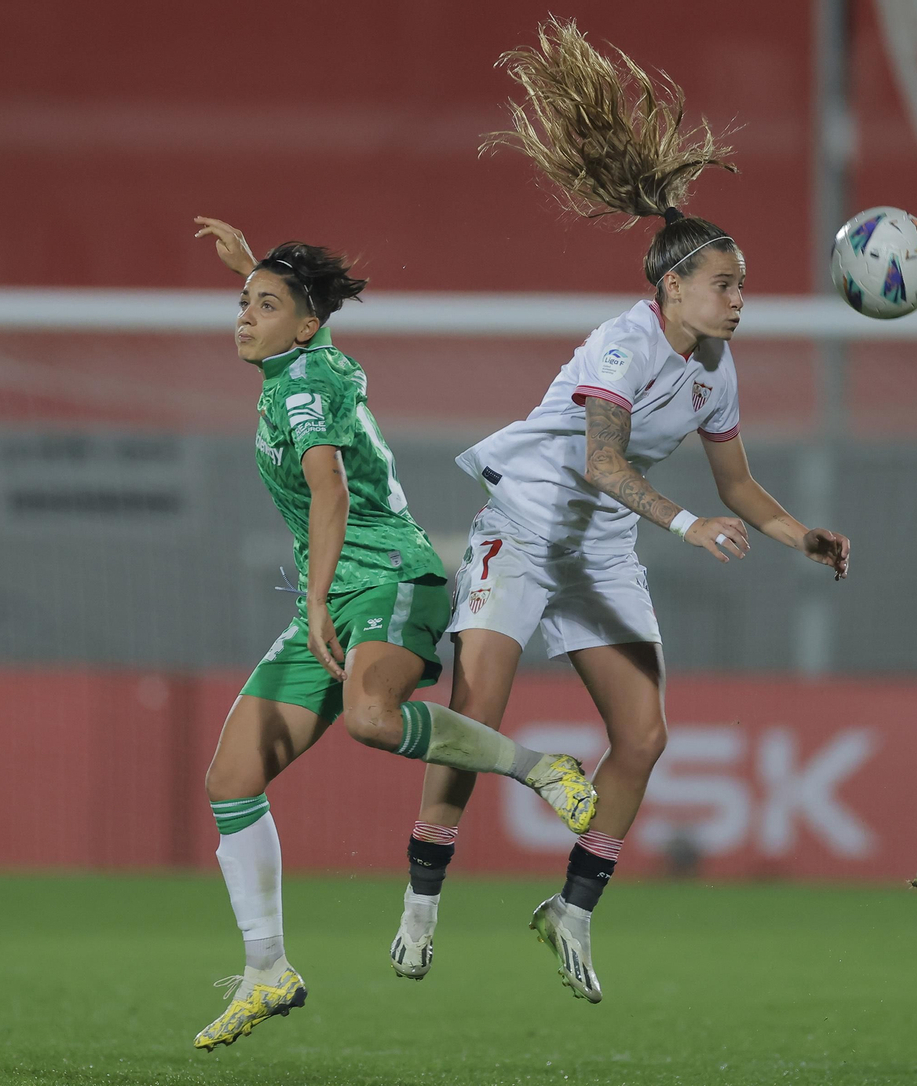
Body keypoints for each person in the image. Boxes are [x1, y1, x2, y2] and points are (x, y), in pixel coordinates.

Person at [388, 20, 852, 1004]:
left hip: (599, 551)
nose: (739, 302)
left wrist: (796, 533)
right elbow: (599, 463)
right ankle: (422, 903)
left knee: (643, 738)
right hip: (527, 523)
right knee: (477, 708)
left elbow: (737, 486)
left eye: (743, 288)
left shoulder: (715, 372)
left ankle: (572, 910)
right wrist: (685, 529)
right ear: (672, 285)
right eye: (725, 286)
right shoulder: (619, 346)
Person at [187, 218, 599, 1050]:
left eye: (260, 304)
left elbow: (330, 491)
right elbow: (307, 330)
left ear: (301, 324)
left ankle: (539, 768)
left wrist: (311, 603)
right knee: (231, 777)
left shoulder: (302, 386)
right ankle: (268, 970)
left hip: (387, 579)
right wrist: (257, 268)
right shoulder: (303, 362)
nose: (241, 313)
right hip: (338, 594)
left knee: (373, 717)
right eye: (240, 301)